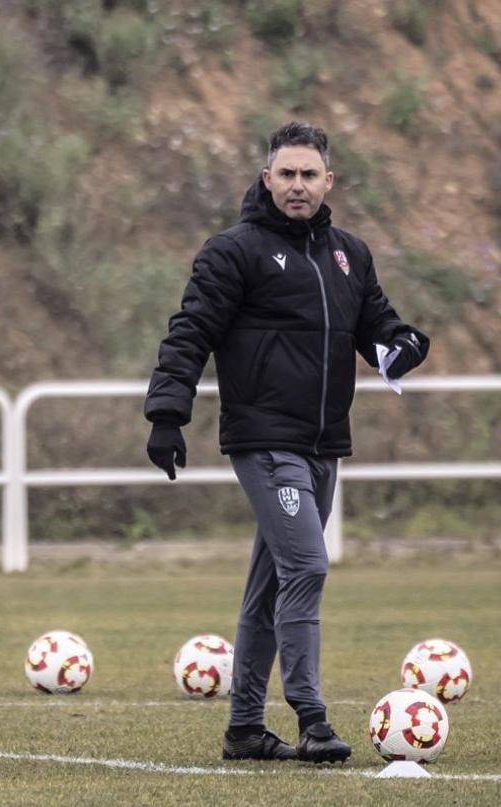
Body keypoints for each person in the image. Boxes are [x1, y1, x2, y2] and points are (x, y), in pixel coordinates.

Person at [144, 121, 429, 763]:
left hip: (324, 442)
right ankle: (313, 716)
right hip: (265, 442)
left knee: (272, 585)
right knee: (307, 565)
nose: (297, 186)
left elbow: (377, 326)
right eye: (286, 174)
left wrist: (406, 343)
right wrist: (168, 411)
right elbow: (189, 331)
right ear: (266, 177)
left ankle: (244, 728)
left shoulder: (349, 254)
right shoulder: (233, 251)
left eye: (309, 175)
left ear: (329, 181)